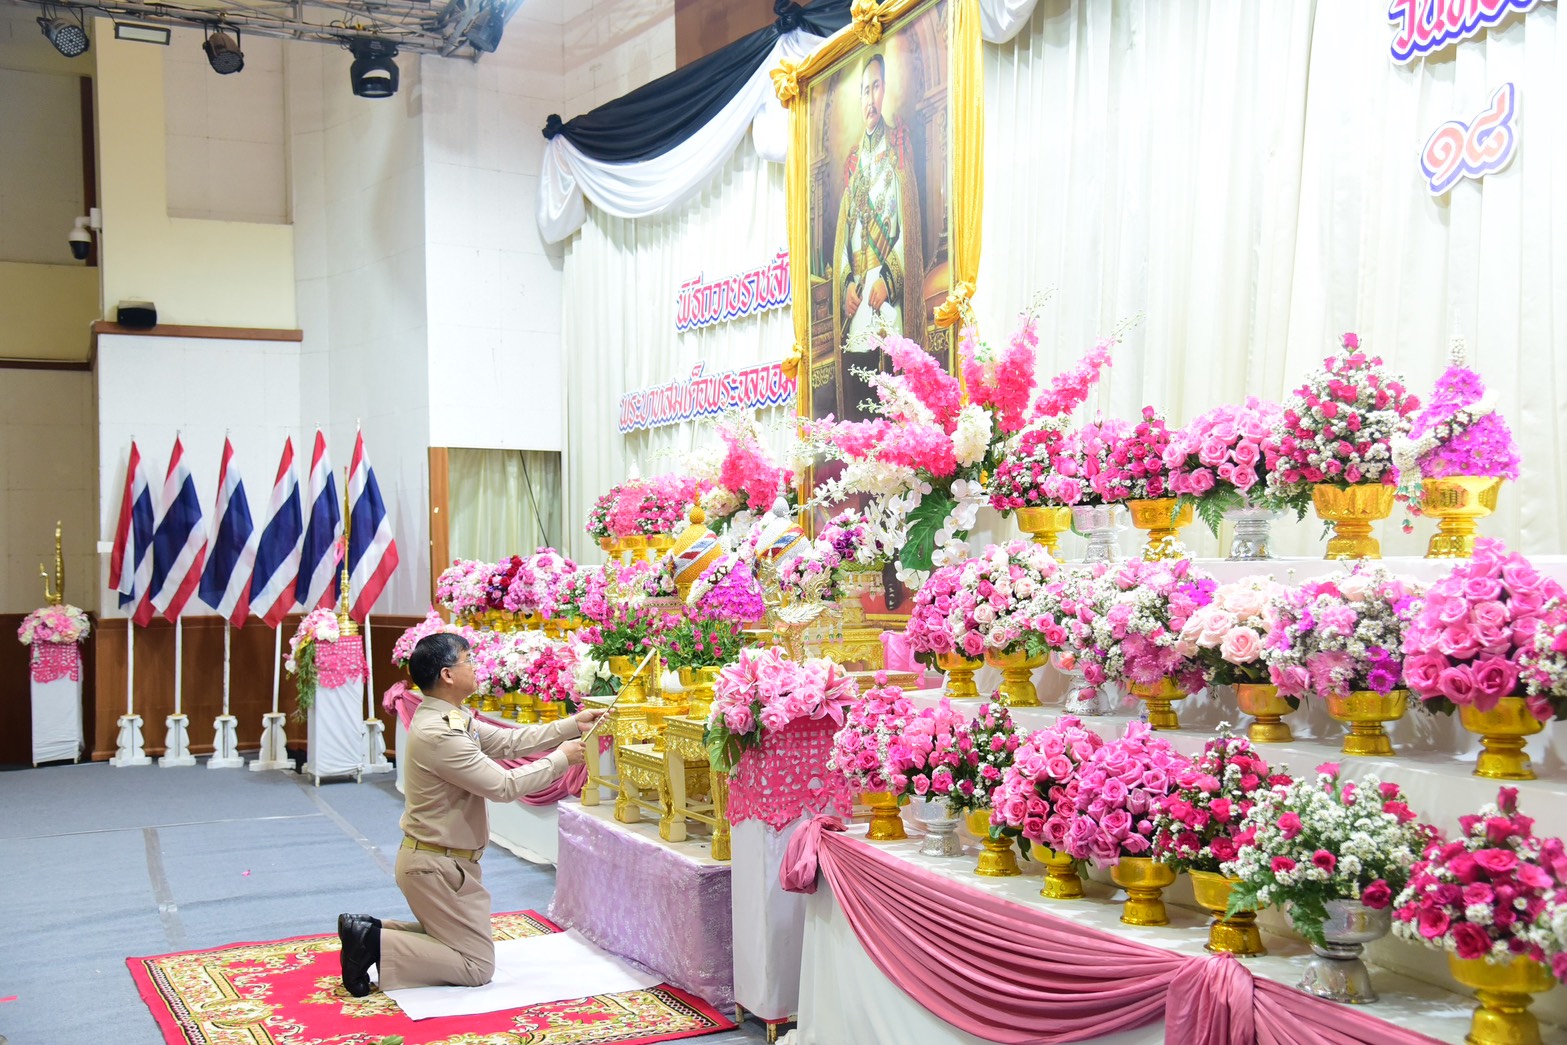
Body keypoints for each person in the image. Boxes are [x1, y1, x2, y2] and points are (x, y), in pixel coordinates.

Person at [337, 631, 604, 996]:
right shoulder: (439, 733)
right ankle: (374, 943)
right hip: (434, 865)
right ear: (447, 675)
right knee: (475, 966)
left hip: (445, 862)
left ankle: (370, 930)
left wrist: (572, 725)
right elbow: (503, 786)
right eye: (469, 660)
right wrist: (562, 759)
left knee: (461, 946)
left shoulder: (450, 717)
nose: (476, 667)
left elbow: (509, 743)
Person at [831, 51, 925, 421]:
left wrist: (889, 279)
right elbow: (844, 240)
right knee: (858, 415)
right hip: (859, 301)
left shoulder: (898, 149)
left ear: (885, 91)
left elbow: (909, 228)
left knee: (890, 416)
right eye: (864, 90)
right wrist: (846, 286)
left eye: (876, 87)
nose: (870, 99)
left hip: (887, 299)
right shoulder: (855, 162)